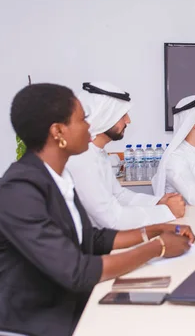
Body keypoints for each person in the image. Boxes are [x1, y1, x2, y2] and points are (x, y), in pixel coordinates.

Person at [0, 83, 195, 336]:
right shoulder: (20, 190)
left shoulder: (55, 177)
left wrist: (155, 230)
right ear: (58, 132)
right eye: (82, 119)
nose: (89, 125)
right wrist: (158, 247)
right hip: (26, 323)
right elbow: (78, 272)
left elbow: (91, 238)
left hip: (63, 304)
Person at [67, 82, 185, 230]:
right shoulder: (81, 158)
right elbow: (112, 219)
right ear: (104, 116)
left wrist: (158, 202)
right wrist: (167, 211)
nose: (128, 120)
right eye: (123, 115)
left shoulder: (98, 152)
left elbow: (119, 195)